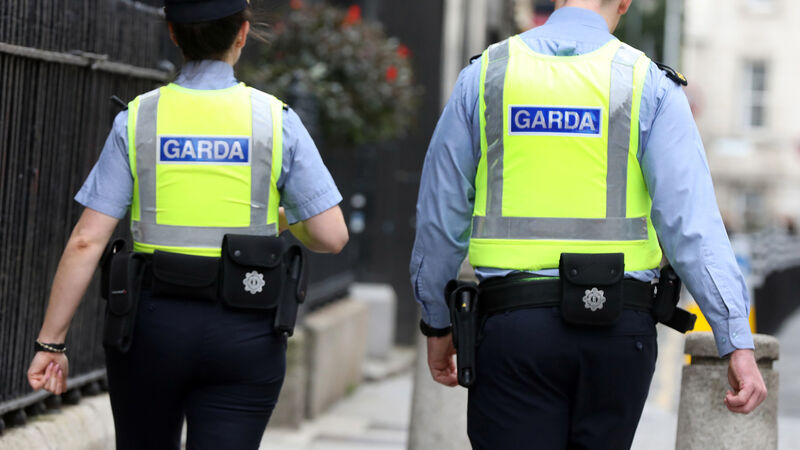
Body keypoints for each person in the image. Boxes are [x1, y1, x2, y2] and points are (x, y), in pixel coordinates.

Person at [410, 0, 767, 448]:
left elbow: (440, 216)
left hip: (513, 329)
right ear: (624, 2)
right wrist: (735, 340)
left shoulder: (487, 76)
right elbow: (692, 226)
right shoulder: (648, 84)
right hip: (619, 331)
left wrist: (437, 322)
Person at [26, 1, 348, 448]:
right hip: (245, 328)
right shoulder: (276, 120)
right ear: (242, 34)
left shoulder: (139, 119)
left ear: (174, 34)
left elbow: (87, 241)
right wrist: (281, 220)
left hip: (151, 329)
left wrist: (51, 344)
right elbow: (331, 236)